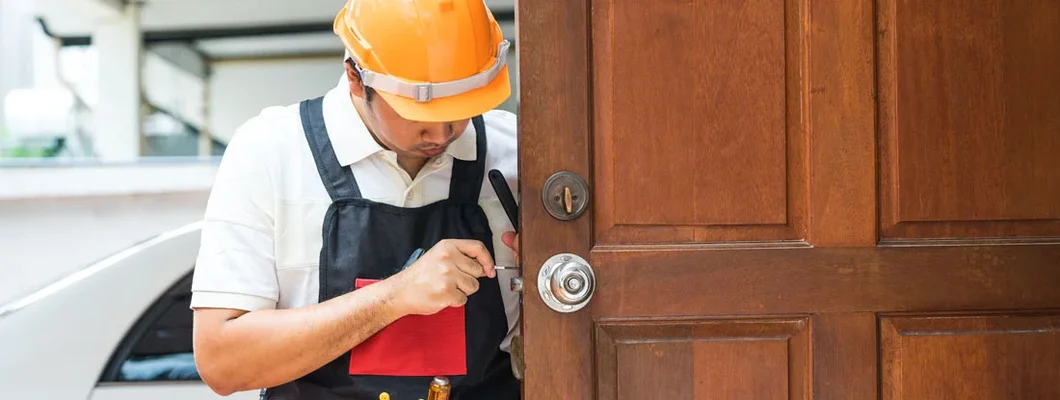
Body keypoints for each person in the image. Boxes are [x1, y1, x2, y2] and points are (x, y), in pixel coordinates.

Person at [189, 0, 521, 399]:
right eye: (419, 112)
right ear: (356, 78)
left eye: (461, 107)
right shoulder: (270, 151)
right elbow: (222, 362)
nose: (443, 133)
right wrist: (394, 296)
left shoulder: (516, 153)